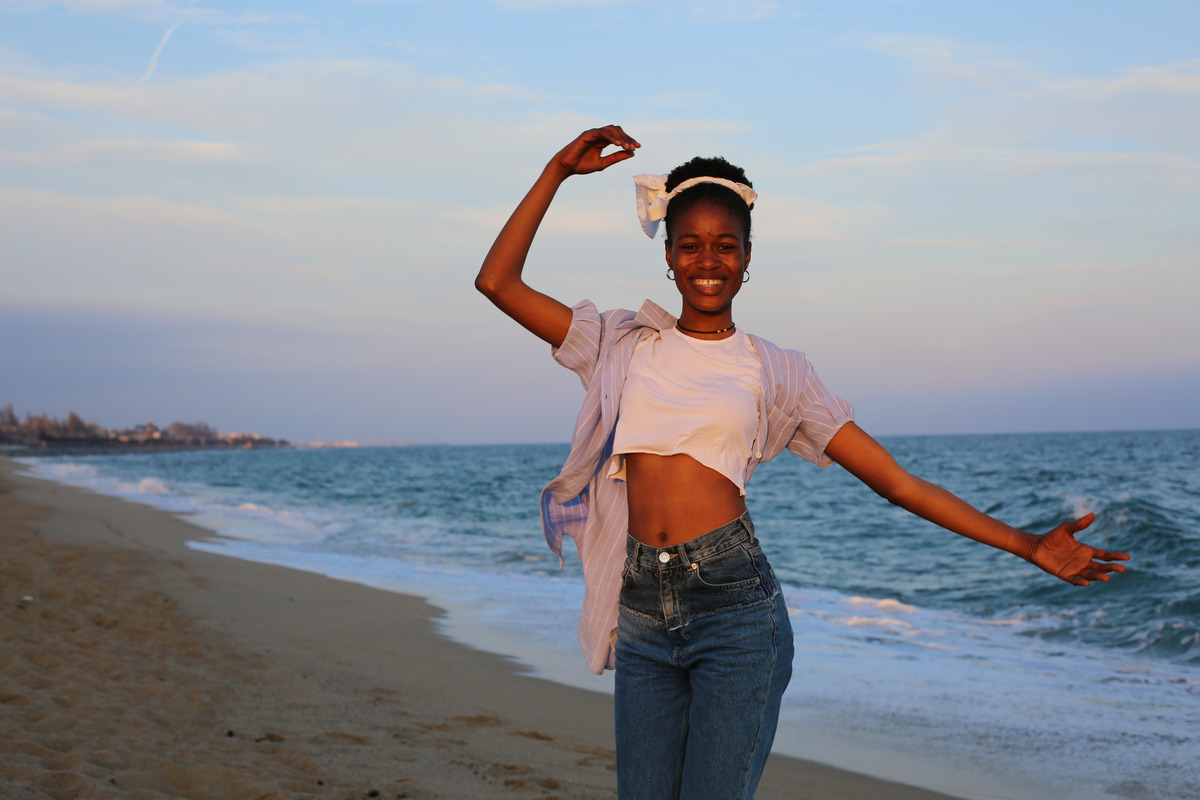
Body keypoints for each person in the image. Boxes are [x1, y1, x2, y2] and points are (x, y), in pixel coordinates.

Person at [474, 125, 1130, 800]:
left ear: (748, 256)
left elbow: (895, 482)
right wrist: (557, 169)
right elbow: (496, 280)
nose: (708, 260)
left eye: (725, 245)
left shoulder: (778, 372)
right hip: (641, 607)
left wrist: (1026, 545)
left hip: (734, 610)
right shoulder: (621, 343)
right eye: (691, 244)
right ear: (668, 256)